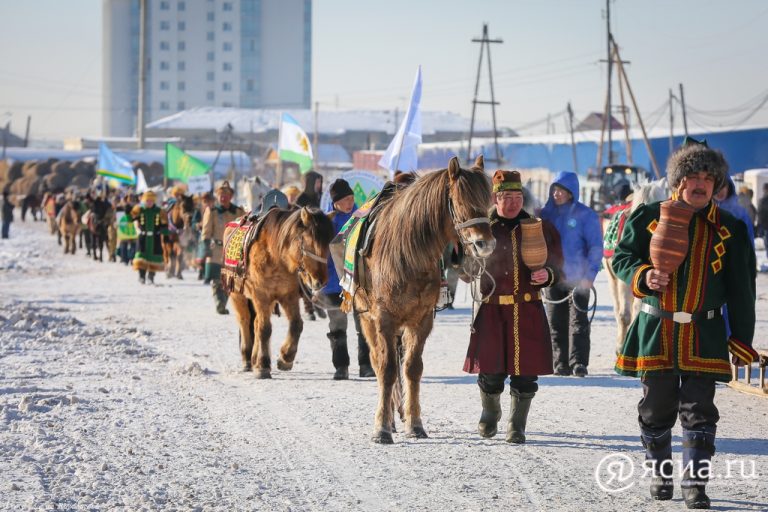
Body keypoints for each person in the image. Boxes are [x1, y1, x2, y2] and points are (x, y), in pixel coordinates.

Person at [612, 140, 756, 509]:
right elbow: (623, 258)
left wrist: (741, 337)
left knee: (699, 409)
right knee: (655, 407)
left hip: (703, 333)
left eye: (708, 178)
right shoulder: (646, 217)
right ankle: (660, 474)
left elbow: (742, 289)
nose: (700, 183)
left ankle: (695, 484)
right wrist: (642, 276)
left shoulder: (731, 229)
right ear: (678, 182)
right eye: (693, 175)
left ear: (717, 186)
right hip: (656, 330)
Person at [463, 170, 563, 444]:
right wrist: (467, 266)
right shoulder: (482, 229)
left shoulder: (538, 228)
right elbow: (464, 267)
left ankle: (517, 425)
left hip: (527, 310)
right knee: (491, 371)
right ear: (495, 198)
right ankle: (490, 412)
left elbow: (557, 265)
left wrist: (548, 275)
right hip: (492, 310)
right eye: (507, 197)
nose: (513, 202)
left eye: (518, 196)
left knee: (525, 373)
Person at [539, 171, 603, 377]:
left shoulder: (586, 215)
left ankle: (578, 363)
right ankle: (559, 363)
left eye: (561, 190)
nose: (557, 194)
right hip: (553, 276)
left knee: (578, 322)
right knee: (555, 322)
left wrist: (590, 275)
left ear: (571, 192)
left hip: (578, 277)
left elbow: (595, 247)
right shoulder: (545, 215)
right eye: (554, 190)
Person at [320, 179, 375, 380]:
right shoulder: (326, 222)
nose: (350, 202)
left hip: (361, 281)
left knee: (364, 325)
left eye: (352, 198)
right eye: (345, 200)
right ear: (335, 202)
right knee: (337, 326)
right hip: (334, 283)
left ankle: (366, 364)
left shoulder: (363, 218)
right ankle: (341, 366)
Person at [201, 181, 245, 314]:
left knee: (229, 279)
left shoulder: (238, 211)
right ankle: (220, 303)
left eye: (225, 195)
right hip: (216, 250)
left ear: (230, 197)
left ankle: (223, 301)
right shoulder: (212, 211)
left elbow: (243, 231)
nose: (222, 197)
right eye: (220, 195)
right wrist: (206, 248)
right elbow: (206, 231)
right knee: (216, 279)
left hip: (233, 250)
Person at [131, 190, 168, 284]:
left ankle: (151, 276)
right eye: (147, 201)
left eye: (151, 201)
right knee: (141, 257)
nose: (149, 202)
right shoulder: (140, 210)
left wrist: (165, 234)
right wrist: (130, 209)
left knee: (154, 258)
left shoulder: (159, 211)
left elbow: (164, 225)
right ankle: (141, 276)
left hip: (155, 238)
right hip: (143, 237)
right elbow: (131, 218)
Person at [757, 183, 768, 260]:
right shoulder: (762, 200)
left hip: (765, 226)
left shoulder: (762, 201)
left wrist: (759, 225)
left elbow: (760, 213)